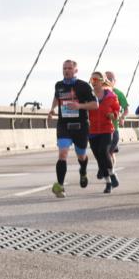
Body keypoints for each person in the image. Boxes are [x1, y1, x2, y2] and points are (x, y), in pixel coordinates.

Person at [47, 60, 98, 198]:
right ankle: (61, 186)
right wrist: (52, 109)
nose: (66, 71)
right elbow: (57, 98)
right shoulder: (59, 85)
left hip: (80, 126)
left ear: (75, 71)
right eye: (64, 68)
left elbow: (95, 105)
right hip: (64, 125)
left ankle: (83, 170)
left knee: (81, 155)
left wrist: (79, 106)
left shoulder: (84, 86)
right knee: (62, 154)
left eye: (69, 68)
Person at [88, 72, 120, 193]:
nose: (93, 81)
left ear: (102, 81)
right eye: (92, 79)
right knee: (99, 158)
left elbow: (117, 110)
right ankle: (108, 183)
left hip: (107, 129)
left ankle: (112, 174)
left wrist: (114, 114)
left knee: (103, 151)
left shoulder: (111, 96)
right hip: (92, 130)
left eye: (96, 79)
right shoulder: (89, 96)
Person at [105, 71, 129, 169]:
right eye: (106, 79)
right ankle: (108, 169)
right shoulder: (98, 93)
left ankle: (110, 171)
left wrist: (122, 117)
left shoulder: (118, 93)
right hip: (101, 129)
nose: (108, 81)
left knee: (109, 152)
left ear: (115, 81)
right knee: (104, 153)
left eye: (110, 79)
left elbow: (126, 109)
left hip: (113, 129)